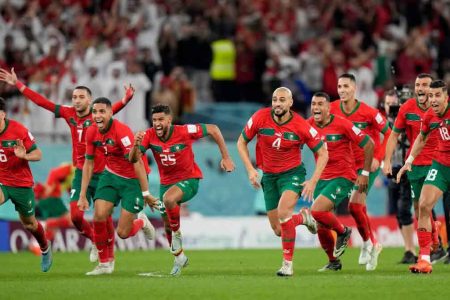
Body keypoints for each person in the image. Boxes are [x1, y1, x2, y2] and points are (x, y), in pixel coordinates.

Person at [0, 67, 134, 262]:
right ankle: (97, 243)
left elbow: (111, 110)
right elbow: (42, 102)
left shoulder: (97, 117)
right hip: (81, 171)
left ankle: (109, 256)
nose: (76, 100)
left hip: (104, 173)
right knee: (76, 217)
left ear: (90, 100)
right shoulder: (68, 113)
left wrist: (125, 100)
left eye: (81, 97)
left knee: (103, 217)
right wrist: (19, 84)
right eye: (74, 97)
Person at [129, 103, 235, 276]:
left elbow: (214, 129)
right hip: (166, 184)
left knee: (169, 201)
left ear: (169, 120)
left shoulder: (185, 131)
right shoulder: (148, 136)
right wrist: (135, 145)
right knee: (166, 225)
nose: (157, 123)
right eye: (154, 120)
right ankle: (179, 258)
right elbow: (133, 159)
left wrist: (226, 157)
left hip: (189, 180)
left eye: (161, 119)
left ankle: (178, 235)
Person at [236, 87, 328, 277]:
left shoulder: (301, 125)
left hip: (292, 175)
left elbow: (323, 152)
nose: (277, 103)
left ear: (290, 103)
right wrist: (251, 169)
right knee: (278, 229)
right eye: (275, 99)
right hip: (268, 176)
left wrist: (312, 181)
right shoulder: (260, 117)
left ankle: (287, 265)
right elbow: (241, 142)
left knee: (284, 212)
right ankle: (303, 218)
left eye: (282, 100)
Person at [78, 97, 158, 276]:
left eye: (102, 112)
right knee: (99, 216)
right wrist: (83, 194)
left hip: (133, 180)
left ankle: (141, 221)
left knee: (123, 232)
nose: (97, 116)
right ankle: (104, 263)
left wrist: (146, 193)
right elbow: (88, 164)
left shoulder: (122, 132)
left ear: (110, 113)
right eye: (95, 112)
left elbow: (136, 162)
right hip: (111, 176)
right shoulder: (91, 132)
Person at [383, 74, 448, 263]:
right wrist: (388, 160)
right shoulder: (409, 108)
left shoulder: (439, 110)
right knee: (419, 207)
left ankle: (432, 249)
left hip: (438, 163)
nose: (421, 88)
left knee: (430, 206)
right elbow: (395, 135)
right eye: (418, 84)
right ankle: (431, 246)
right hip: (417, 166)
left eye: (425, 85)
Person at [330, 73, 391, 271]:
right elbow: (310, 124)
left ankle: (369, 243)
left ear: (354, 89)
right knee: (357, 207)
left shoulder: (369, 112)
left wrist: (379, 158)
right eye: (339, 86)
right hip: (345, 166)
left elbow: (389, 132)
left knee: (355, 205)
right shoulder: (331, 108)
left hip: (367, 165)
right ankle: (371, 243)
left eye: (346, 86)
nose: (342, 90)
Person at [308, 92, 374, 271]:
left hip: (343, 176)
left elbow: (369, 144)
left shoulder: (343, 124)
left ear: (329, 108)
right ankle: (334, 262)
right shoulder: (308, 125)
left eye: (320, 104)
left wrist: (365, 173)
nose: (316, 108)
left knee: (316, 211)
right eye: (313, 104)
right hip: (322, 178)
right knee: (321, 224)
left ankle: (344, 231)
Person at [0, 97, 52, 272]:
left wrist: (24, 156)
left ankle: (45, 248)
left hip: (21, 185)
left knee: (30, 224)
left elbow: (38, 154)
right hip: (2, 182)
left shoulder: (18, 130)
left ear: (3, 114)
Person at [29, 162, 75, 255]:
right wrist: (49, 190)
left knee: (54, 228)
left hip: (51, 199)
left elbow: (69, 188)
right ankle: (45, 224)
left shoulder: (72, 175)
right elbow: (54, 173)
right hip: (53, 199)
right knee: (70, 220)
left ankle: (38, 246)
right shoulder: (70, 168)